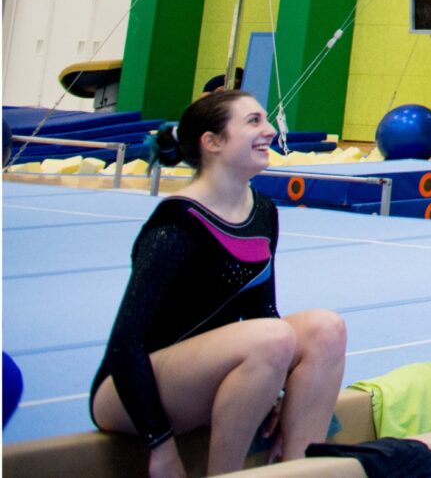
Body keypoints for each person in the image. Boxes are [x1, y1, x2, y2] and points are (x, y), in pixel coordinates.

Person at [90, 91, 348, 477]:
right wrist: (160, 447)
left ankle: (296, 468)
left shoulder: (262, 210)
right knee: (273, 338)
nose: (270, 131)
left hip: (205, 374)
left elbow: (262, 310)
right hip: (128, 392)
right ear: (212, 142)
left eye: (265, 120)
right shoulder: (176, 224)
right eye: (253, 122)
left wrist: (279, 393)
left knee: (326, 328)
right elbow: (125, 346)